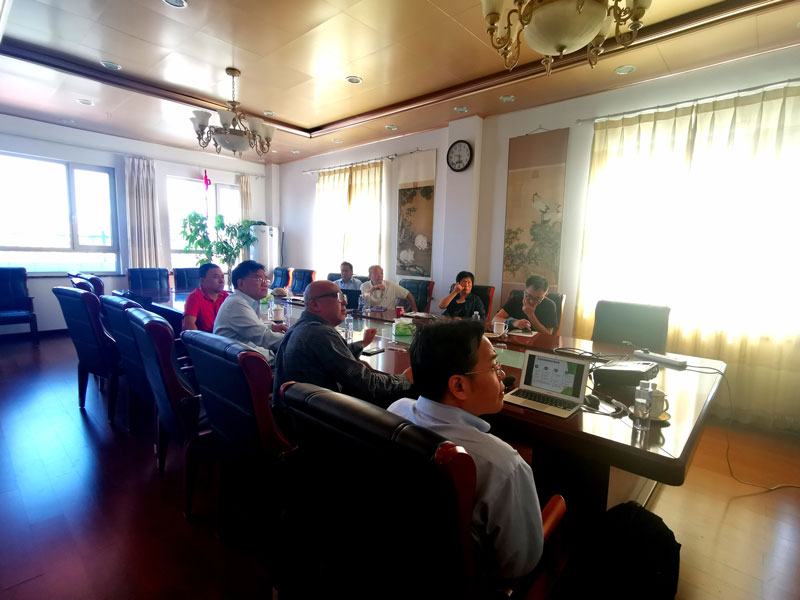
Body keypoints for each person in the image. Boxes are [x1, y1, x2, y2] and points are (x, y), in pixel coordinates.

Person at [388, 320, 543, 582]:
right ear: (458, 386)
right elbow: (519, 563)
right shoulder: (502, 465)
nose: (502, 375)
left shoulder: (396, 410)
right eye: (494, 366)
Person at [272, 279, 412, 408]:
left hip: (297, 415)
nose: (345, 302)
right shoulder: (321, 333)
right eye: (338, 297)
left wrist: (362, 344)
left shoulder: (301, 327)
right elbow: (366, 384)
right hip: (320, 420)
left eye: (343, 297)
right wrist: (405, 379)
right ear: (315, 304)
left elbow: (334, 354)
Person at [213, 260, 288, 358]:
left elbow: (254, 329)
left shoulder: (247, 301)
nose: (265, 284)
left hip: (250, 359)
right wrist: (296, 339)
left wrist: (271, 327)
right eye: (259, 279)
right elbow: (264, 338)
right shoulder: (237, 304)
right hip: (251, 365)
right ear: (241, 283)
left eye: (266, 280)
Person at [493, 274, 557, 334]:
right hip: (515, 338)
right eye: (528, 296)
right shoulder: (516, 299)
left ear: (545, 295)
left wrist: (531, 315)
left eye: (537, 298)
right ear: (524, 290)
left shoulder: (550, 305)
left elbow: (548, 334)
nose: (532, 301)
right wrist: (514, 322)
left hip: (538, 341)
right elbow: (494, 320)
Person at [182, 263, 228, 333]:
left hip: (223, 337)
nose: (221, 281)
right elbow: (188, 326)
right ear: (203, 281)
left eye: (222, 277)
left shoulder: (225, 295)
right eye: (216, 277)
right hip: (205, 339)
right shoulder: (195, 297)